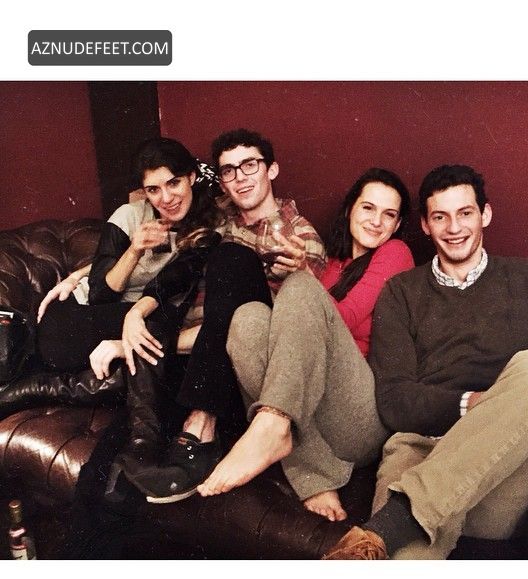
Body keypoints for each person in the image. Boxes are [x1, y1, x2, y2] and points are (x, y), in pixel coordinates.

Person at [323, 164, 528, 559]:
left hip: (504, 479)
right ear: (425, 225)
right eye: (441, 217)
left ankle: (395, 522)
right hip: (421, 454)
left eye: (465, 213)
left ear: (485, 214)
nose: (454, 227)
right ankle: (399, 524)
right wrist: (472, 403)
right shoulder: (401, 292)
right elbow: (394, 398)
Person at [113, 128, 327, 503]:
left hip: (234, 373)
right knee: (113, 472)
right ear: (220, 180)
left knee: (232, 257)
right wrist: (83, 277)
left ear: (272, 169)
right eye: (229, 170)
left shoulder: (299, 236)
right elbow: (157, 233)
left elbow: (289, 331)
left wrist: (303, 272)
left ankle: (202, 423)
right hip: (186, 363)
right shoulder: (216, 217)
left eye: (250, 165)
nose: (240, 178)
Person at [189, 167, 415, 522]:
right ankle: (307, 465)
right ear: (350, 209)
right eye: (368, 208)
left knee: (298, 288)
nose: (376, 221)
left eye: (389, 215)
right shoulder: (333, 263)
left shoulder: (396, 253)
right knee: (248, 318)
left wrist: (303, 278)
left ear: (398, 224)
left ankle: (272, 427)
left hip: (360, 416)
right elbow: (295, 337)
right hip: (315, 405)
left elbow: (342, 318)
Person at [0, 137, 220, 419]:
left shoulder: (208, 228)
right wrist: (134, 249)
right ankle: (36, 387)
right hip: (77, 315)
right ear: (144, 192)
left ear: (191, 177)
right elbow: (100, 294)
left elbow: (174, 283)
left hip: (136, 316)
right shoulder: (129, 216)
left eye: (173, 183)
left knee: (161, 354)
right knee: (157, 334)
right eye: (153, 190)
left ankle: (36, 389)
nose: (166, 199)